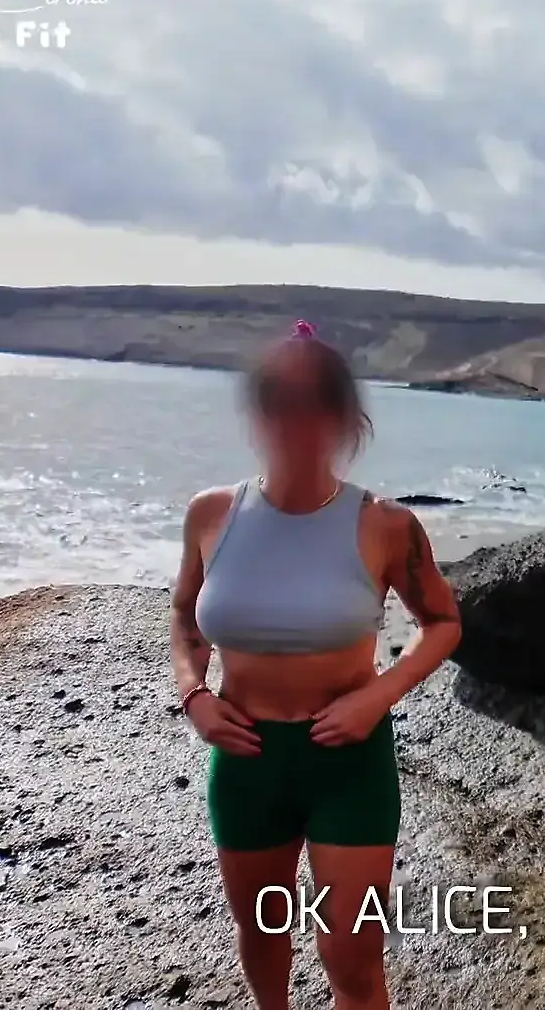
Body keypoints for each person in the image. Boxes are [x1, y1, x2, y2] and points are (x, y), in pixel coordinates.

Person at [168, 320, 463, 1010]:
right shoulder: (211, 515)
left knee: (352, 958)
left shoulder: (386, 525)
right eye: (278, 401)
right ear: (256, 412)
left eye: (315, 403)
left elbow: (444, 624)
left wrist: (378, 696)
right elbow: (184, 617)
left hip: (348, 765)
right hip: (247, 761)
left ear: (345, 417)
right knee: (261, 935)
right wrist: (194, 696)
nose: (295, 420)